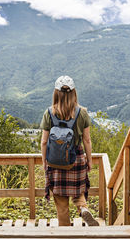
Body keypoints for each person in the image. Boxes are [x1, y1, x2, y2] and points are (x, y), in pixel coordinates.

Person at [40, 75, 99, 226]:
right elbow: (87, 140)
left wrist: (44, 163)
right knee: (78, 191)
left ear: (56, 93)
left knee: (61, 203)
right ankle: (83, 208)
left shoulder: (49, 113)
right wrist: (90, 161)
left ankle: (64, 232)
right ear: (74, 93)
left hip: (55, 160)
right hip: (76, 158)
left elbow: (44, 141)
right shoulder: (82, 113)